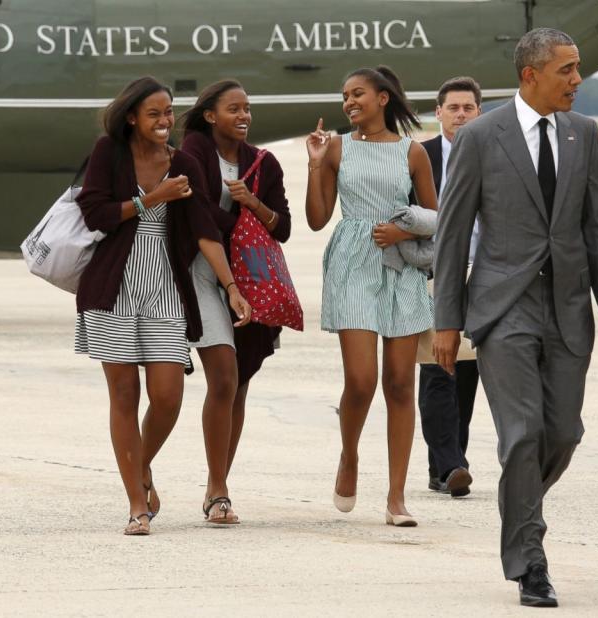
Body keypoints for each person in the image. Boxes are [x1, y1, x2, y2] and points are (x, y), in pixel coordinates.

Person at [432, 29, 598, 607]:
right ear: (530, 75)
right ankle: (528, 559)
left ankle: (517, 505)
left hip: (569, 306)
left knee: (563, 433)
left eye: (577, 68)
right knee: (522, 434)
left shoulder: (584, 134)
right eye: (566, 69)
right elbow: (450, 234)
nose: (576, 80)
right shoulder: (479, 136)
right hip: (502, 305)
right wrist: (447, 318)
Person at [74, 76, 251, 535]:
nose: (164, 120)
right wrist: (152, 198)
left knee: (168, 395)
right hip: (114, 288)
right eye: (154, 113)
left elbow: (204, 229)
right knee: (124, 396)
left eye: (168, 112)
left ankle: (142, 467)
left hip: (166, 289)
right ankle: (137, 502)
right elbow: (95, 213)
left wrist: (230, 286)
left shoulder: (182, 160)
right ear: (132, 115)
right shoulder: (108, 153)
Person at [305, 66, 438, 527]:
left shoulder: (413, 152)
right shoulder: (337, 146)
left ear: (383, 98)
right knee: (361, 381)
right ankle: (349, 457)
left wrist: (402, 227)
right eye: (345, 97)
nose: (348, 102)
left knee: (400, 384)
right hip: (352, 264)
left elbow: (436, 219)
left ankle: (397, 497)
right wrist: (316, 163)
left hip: (400, 266)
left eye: (357, 94)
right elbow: (318, 219)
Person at [180, 80, 292, 525]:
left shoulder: (264, 163)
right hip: (203, 275)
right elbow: (201, 214)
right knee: (223, 378)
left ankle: (216, 486)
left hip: (252, 277)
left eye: (248, 109)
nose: (244, 116)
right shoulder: (192, 151)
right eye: (234, 109)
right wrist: (243, 216)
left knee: (240, 382)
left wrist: (255, 207)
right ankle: (218, 486)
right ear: (210, 115)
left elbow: (281, 228)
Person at [417, 76, 483, 498]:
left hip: (483, 275)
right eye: (453, 108)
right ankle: (449, 465)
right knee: (436, 368)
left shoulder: (495, 152)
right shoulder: (419, 156)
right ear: (438, 113)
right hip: (431, 275)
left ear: (479, 112)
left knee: (467, 372)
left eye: (468, 108)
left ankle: (447, 462)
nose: (460, 114)